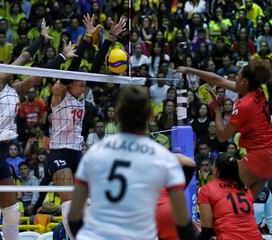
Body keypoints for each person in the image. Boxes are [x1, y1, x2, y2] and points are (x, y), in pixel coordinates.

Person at [0, 19, 76, 240]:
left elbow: (39, 74)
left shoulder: (14, 89)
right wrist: (41, 39)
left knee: (13, 212)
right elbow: (24, 58)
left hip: (0, 155)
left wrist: (63, 57)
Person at [68, 85, 196, 240]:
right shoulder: (164, 159)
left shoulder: (94, 153)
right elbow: (183, 225)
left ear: (117, 114)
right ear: (150, 116)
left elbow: (74, 217)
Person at [46, 14, 126, 240]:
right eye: (80, 84)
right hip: (59, 152)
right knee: (69, 202)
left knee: (88, 202)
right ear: (70, 82)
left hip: (77, 152)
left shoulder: (80, 92)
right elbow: (72, 69)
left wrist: (110, 39)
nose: (83, 88)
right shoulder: (59, 93)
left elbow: (97, 65)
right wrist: (86, 38)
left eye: (84, 85)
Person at [176, 60, 272, 199]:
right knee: (244, 205)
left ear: (244, 81)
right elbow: (218, 79)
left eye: (237, 76)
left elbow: (222, 136)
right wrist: (190, 70)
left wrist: (217, 109)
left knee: (221, 195)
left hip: (260, 157)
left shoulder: (244, 105)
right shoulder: (257, 90)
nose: (234, 78)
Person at [197, 153, 262, 239]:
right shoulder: (245, 189)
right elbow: (235, 223)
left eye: (213, 165)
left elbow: (206, 233)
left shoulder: (207, 190)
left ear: (216, 169)